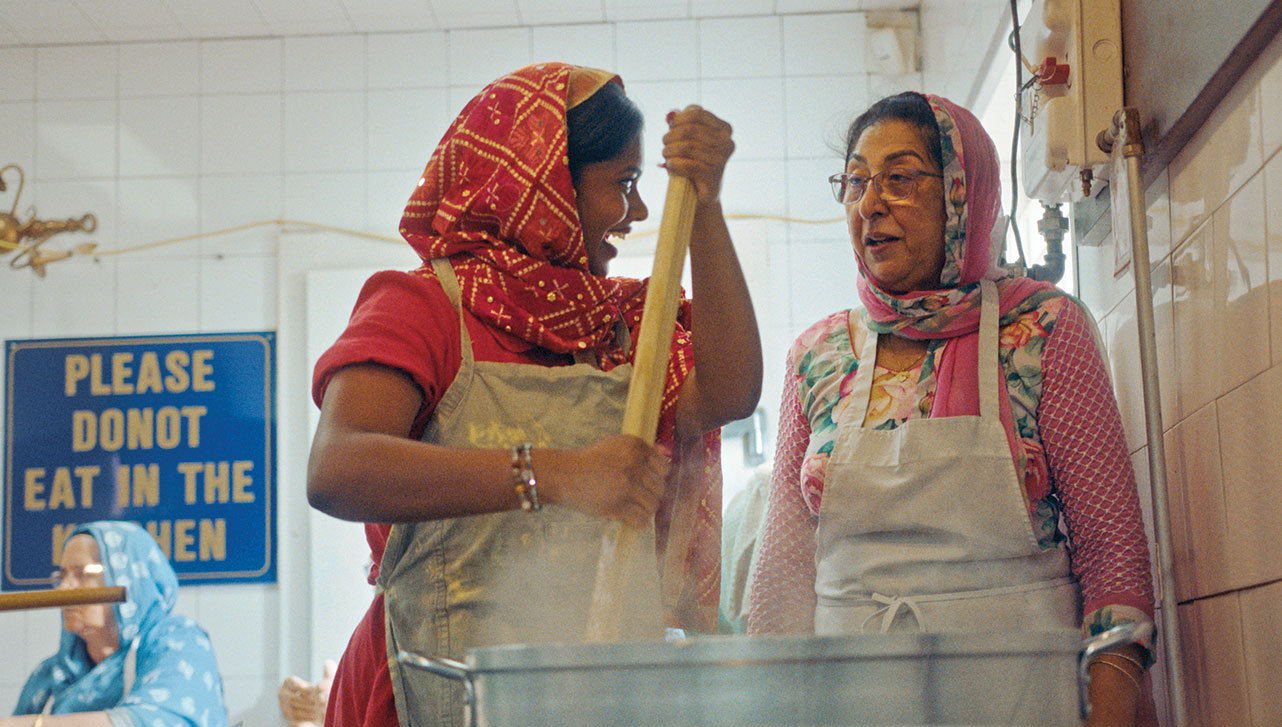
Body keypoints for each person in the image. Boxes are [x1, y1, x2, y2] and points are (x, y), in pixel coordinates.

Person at [306, 62, 761, 727]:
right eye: (622, 185)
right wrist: (553, 473)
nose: (636, 213)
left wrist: (707, 205)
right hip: (434, 683)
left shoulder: (625, 322)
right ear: (543, 184)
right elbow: (338, 469)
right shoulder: (425, 306)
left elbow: (729, 392)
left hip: (592, 691)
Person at [746, 91, 1155, 726]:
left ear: (963, 194)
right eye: (855, 181)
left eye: (900, 178)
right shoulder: (818, 356)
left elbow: (1114, 559)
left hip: (1024, 700)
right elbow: (781, 586)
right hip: (852, 706)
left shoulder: (1044, 328)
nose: (870, 203)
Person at [5, 521, 227, 727]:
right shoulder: (52, 673)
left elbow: (154, 720)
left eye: (83, 574)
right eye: (62, 576)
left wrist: (32, 725)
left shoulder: (177, 641)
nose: (64, 589)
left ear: (129, 578)